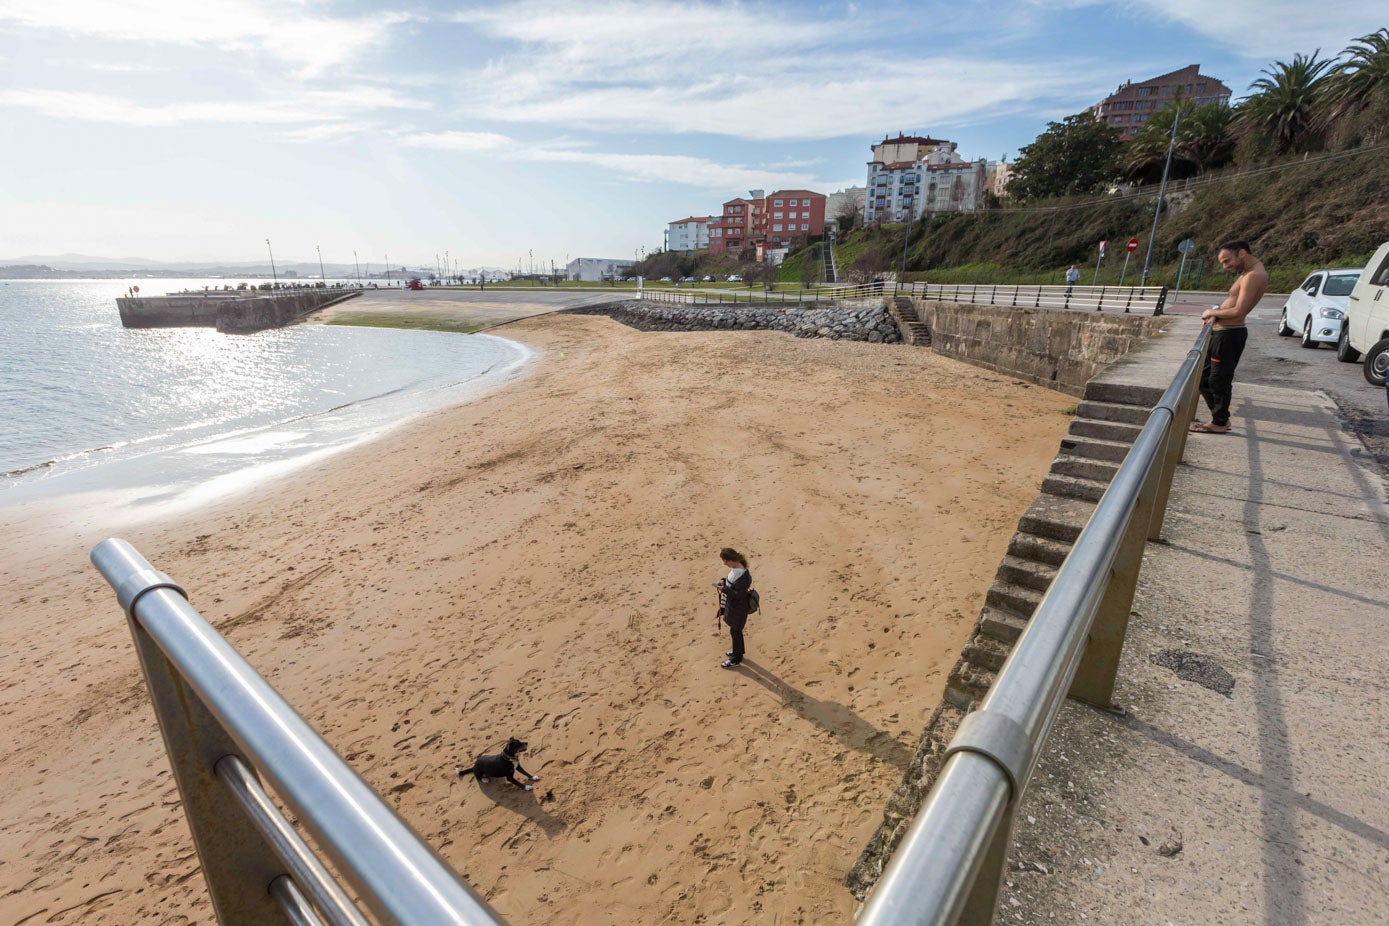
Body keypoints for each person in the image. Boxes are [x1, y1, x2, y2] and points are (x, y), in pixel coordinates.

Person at [1191, 240, 1267, 434]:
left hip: (1229, 335)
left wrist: (1210, 313)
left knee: (1218, 380)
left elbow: (1240, 311)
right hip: (1223, 333)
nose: (1225, 266)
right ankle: (1220, 418)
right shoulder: (1247, 274)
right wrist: (1217, 311)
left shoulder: (1253, 276)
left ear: (1241, 253)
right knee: (1205, 377)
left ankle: (1220, 421)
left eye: (1227, 261)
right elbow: (1232, 305)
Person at [712, 548, 752, 669]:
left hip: (738, 609)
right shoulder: (737, 568)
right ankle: (737, 652)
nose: (724, 563)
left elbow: (737, 595)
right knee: (735, 632)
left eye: (725, 561)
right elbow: (732, 583)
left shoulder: (740, 574)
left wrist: (723, 589)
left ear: (732, 560)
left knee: (735, 632)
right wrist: (723, 582)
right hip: (736, 608)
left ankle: (736, 659)